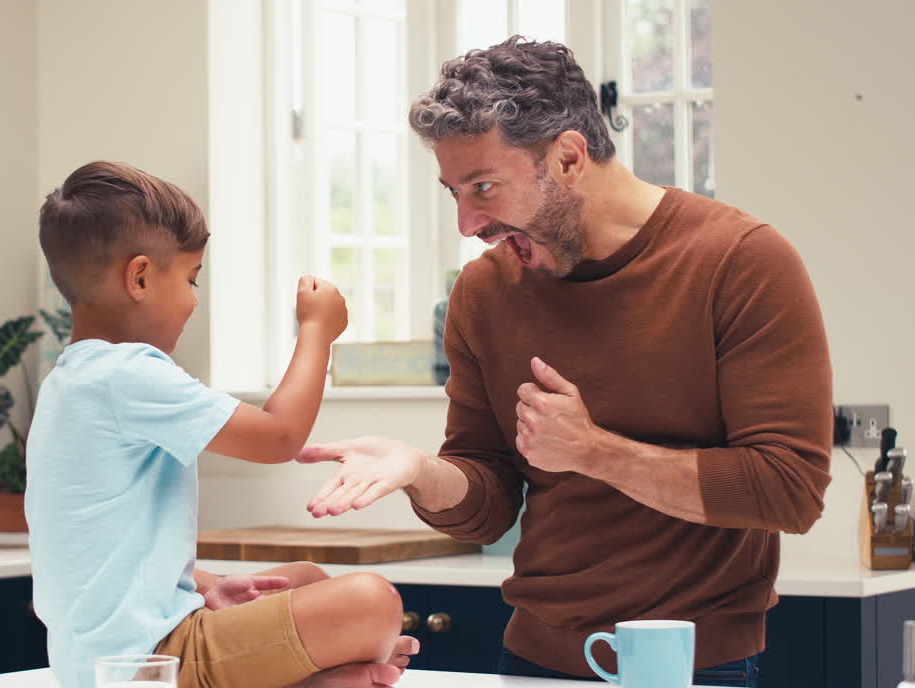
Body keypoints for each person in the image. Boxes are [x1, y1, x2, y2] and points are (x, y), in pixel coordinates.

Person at [297, 36, 832, 688]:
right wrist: (420, 472)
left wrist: (594, 451)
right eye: (454, 192)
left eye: (484, 187)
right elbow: (490, 501)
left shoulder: (741, 262)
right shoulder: (485, 292)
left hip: (693, 665)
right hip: (532, 658)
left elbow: (789, 489)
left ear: (570, 158)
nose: (467, 223)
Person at [29, 161, 420, 688]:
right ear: (139, 277)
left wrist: (206, 584)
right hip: (151, 661)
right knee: (374, 601)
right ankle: (323, 677)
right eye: (191, 278)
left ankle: (332, 674)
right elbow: (279, 437)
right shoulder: (126, 373)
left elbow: (98, 554)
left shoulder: (70, 382)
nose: (194, 299)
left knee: (304, 579)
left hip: (104, 657)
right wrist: (316, 331)